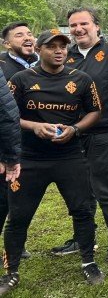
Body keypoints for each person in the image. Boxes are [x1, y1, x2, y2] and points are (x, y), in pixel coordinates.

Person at [1, 30, 104, 293]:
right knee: (19, 216)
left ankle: (88, 262)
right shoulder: (21, 79)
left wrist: (76, 129)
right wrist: (34, 126)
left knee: (82, 210)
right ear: (38, 48)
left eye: (62, 46)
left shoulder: (81, 79)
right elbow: (7, 115)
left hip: (69, 157)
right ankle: (11, 271)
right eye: (51, 46)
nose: (58, 51)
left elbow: (95, 111)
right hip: (30, 159)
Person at [52, 8, 108, 261]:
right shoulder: (68, 54)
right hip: (72, 133)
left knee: (102, 186)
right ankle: (83, 236)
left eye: (84, 23)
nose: (78, 29)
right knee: (78, 188)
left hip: (104, 131)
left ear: (96, 26)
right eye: (73, 25)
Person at [0, 22, 34, 257]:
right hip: (8, 144)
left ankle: (16, 243)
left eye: (29, 34)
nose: (27, 38)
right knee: (4, 197)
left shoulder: (42, 64)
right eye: (19, 35)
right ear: (7, 43)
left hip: (34, 144)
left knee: (22, 197)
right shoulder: (3, 67)